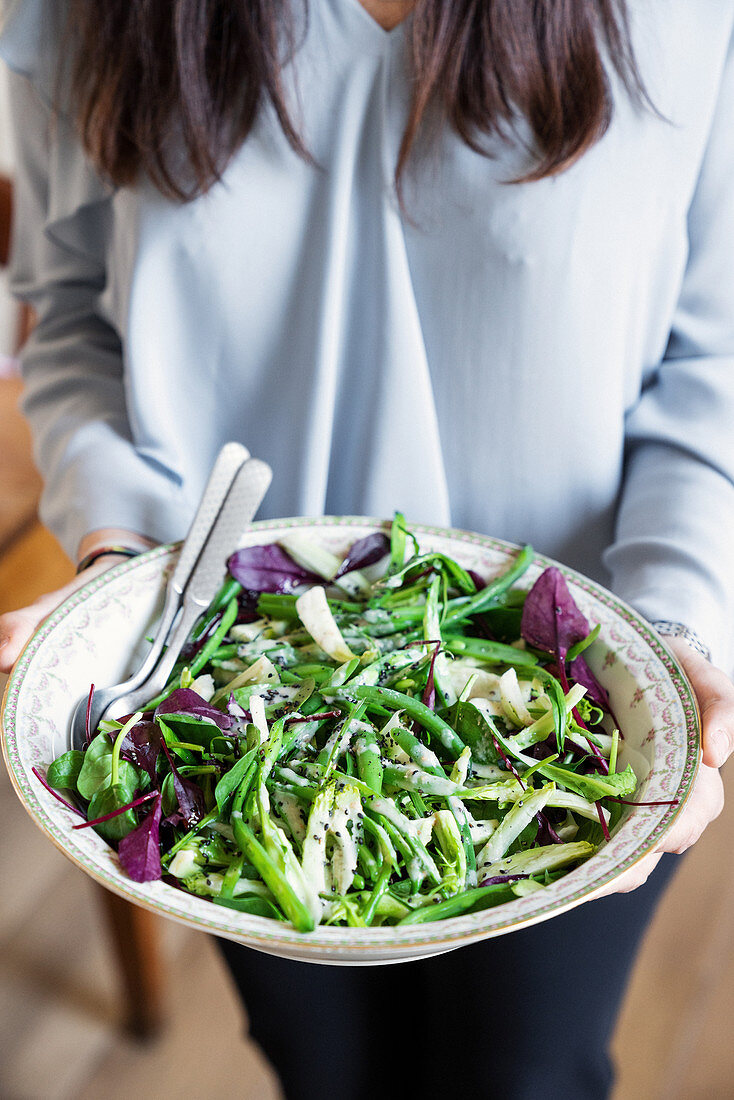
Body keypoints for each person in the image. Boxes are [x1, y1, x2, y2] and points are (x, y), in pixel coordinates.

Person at [1, 0, 733, 1095]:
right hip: (226, 698)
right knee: (323, 1063)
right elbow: (69, 320)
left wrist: (668, 621)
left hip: (575, 705)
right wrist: (125, 575)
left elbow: (709, 364)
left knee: (523, 1072)